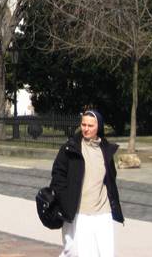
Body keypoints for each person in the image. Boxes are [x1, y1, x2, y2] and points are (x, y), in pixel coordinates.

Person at [50, 109, 124, 257]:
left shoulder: (105, 150)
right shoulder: (70, 148)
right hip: (78, 212)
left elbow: (111, 178)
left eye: (90, 125)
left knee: (105, 253)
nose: (86, 129)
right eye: (83, 124)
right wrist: (65, 201)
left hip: (103, 212)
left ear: (99, 127)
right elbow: (58, 176)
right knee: (75, 252)